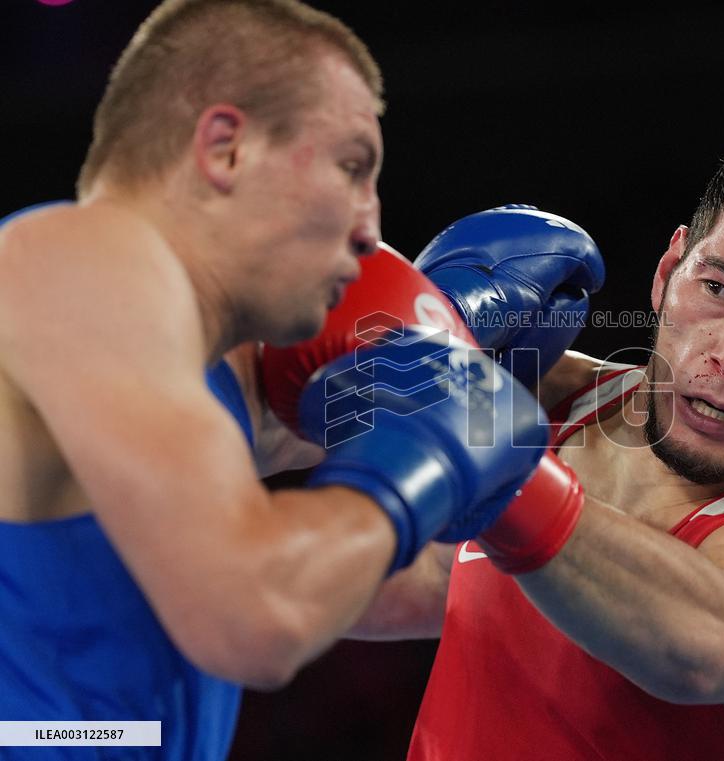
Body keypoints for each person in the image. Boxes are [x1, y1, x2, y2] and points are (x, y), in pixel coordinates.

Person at [0, 1, 577, 758]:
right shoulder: (82, 259)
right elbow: (258, 612)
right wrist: (430, 451)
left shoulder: (197, 380)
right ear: (226, 147)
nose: (372, 225)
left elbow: (388, 576)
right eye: (351, 167)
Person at [287, 120, 724, 761]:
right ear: (668, 271)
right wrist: (392, 334)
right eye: (717, 288)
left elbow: (706, 645)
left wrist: (496, 464)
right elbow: (341, 579)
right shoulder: (544, 399)